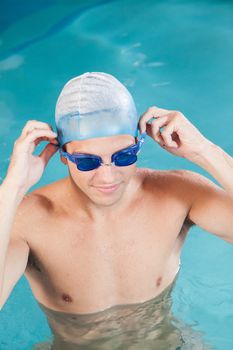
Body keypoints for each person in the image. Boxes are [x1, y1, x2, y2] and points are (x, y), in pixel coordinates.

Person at [0, 72, 232, 350]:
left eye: (124, 156)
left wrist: (205, 152)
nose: (108, 177)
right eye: (87, 162)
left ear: (137, 145)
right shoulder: (28, 220)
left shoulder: (178, 193)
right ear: (63, 155)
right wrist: (12, 188)